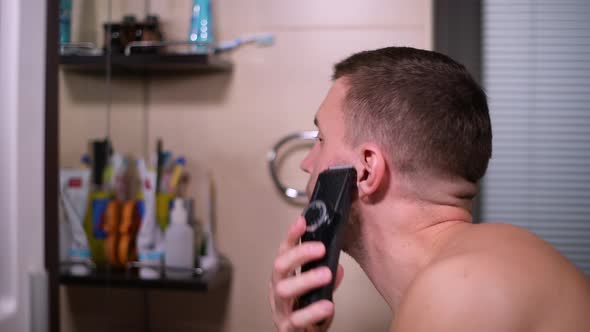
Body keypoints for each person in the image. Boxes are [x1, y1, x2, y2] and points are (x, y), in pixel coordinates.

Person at [269, 47, 590, 332]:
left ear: (366, 169)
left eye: (321, 139)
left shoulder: (460, 288)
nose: (306, 164)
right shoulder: (482, 264)